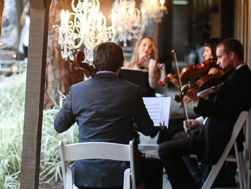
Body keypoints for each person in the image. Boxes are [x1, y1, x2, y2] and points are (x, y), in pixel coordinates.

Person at [54, 42, 163, 189]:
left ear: (95, 63)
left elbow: (59, 126)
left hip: (84, 174)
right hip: (120, 175)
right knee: (155, 165)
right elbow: (148, 129)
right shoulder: (131, 91)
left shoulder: (77, 91)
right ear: (121, 64)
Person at [158, 38, 251, 189]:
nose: (218, 62)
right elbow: (223, 108)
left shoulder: (239, 80)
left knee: (164, 149)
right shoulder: (237, 76)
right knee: (176, 138)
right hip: (216, 132)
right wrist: (199, 120)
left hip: (216, 138)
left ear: (232, 55)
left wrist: (195, 99)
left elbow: (221, 112)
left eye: (220, 57)